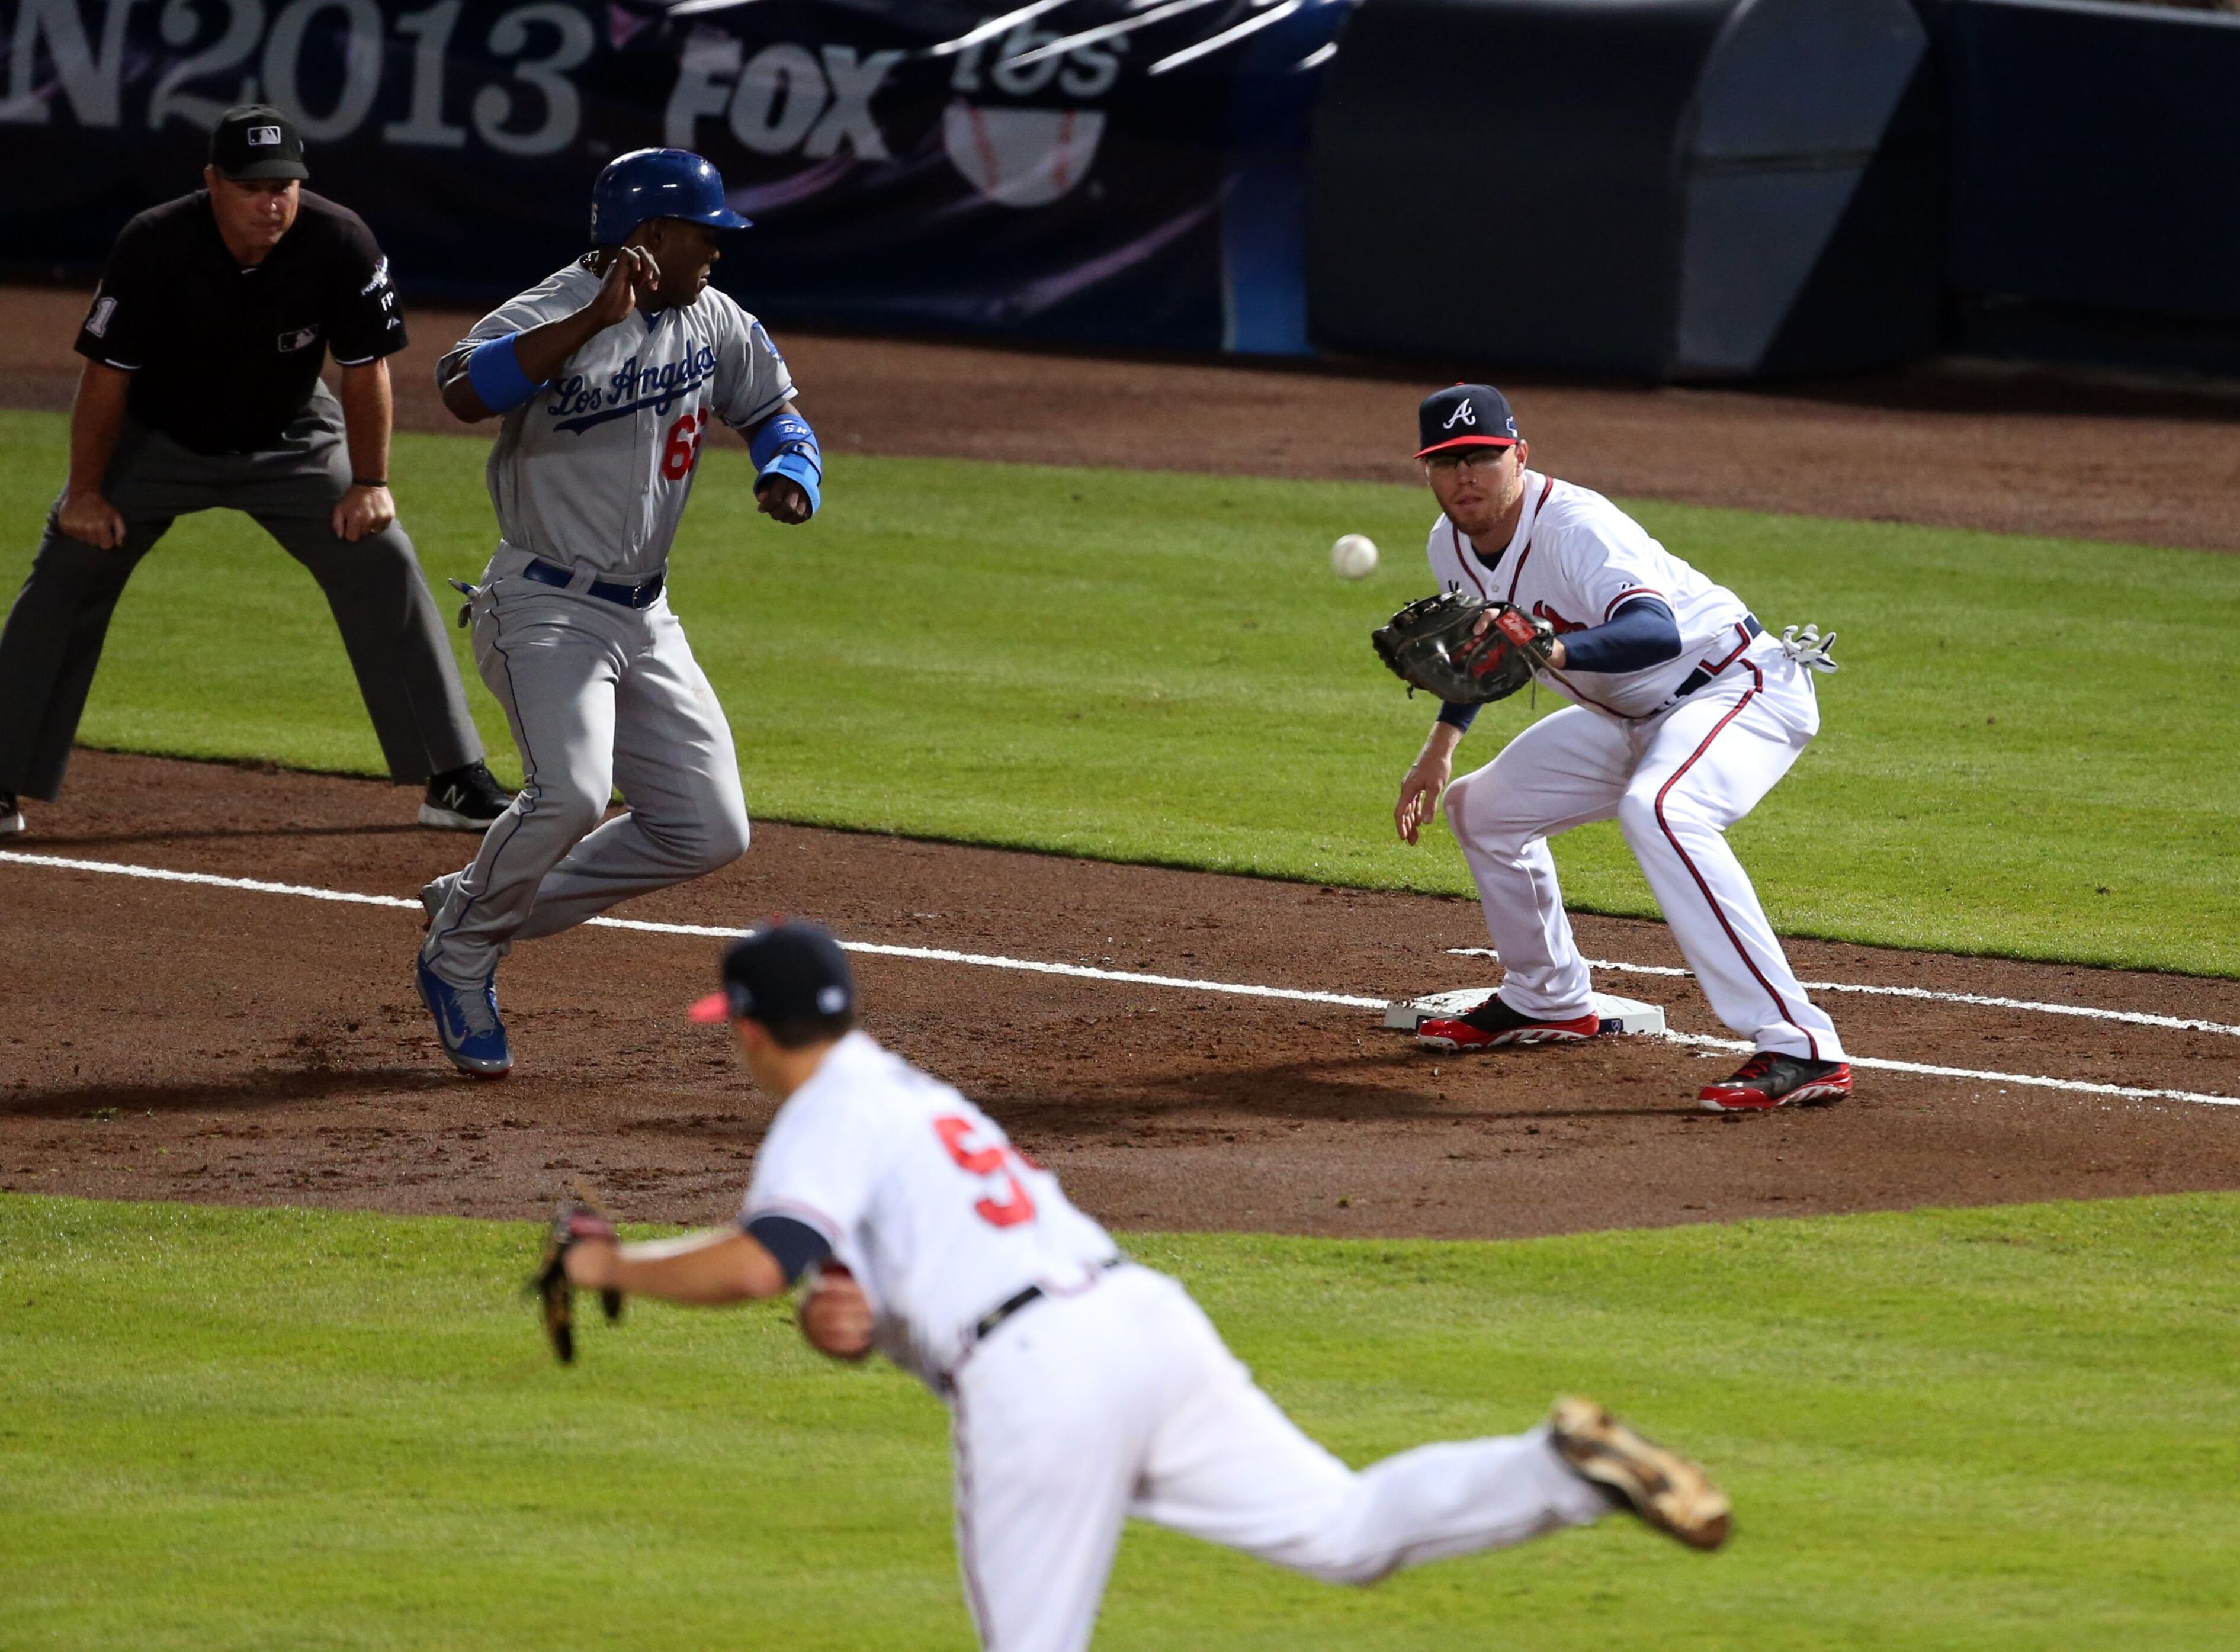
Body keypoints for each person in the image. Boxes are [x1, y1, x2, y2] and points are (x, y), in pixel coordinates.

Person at [547, 921, 1731, 1652]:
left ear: (753, 1031)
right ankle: (1555, 1468)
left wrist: (608, 1265)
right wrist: (851, 1316)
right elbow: (851, 1281)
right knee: (1342, 1530)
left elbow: (763, 1261)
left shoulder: (818, 1119)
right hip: (1138, 1321)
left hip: (1036, 1377)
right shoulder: (907, 1093)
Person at [413, 149, 821, 1076]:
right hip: (543, 606)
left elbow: (776, 411)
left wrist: (789, 470)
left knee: (707, 827)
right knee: (571, 791)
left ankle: (476, 902)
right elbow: (461, 390)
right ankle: (461, 952)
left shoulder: (713, 318)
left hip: (647, 615)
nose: (717, 250)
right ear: (651, 236)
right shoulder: (550, 307)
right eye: (704, 235)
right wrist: (592, 321)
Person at [0, 105, 510, 841]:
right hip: (158, 438)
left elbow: (365, 368)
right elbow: (106, 374)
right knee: (69, 563)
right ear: (212, 182)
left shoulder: (340, 240)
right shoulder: (155, 242)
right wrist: (83, 493)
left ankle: (453, 776)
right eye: (251, 187)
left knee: (381, 557)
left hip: (292, 436)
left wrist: (370, 483)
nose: (271, 203)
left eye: (283, 186)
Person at [1393, 384, 1850, 1113]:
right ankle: (1547, 997)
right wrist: (1440, 746)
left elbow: (1655, 632)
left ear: (1520, 455)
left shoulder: (1577, 526)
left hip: (1734, 686)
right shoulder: (1448, 544)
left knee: (1661, 809)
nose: (1465, 476)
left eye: (1482, 456)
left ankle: (1802, 1044)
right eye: (1447, 462)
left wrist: (1551, 647)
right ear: (1427, 471)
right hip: (1629, 717)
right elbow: (1483, 656)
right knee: (1481, 808)